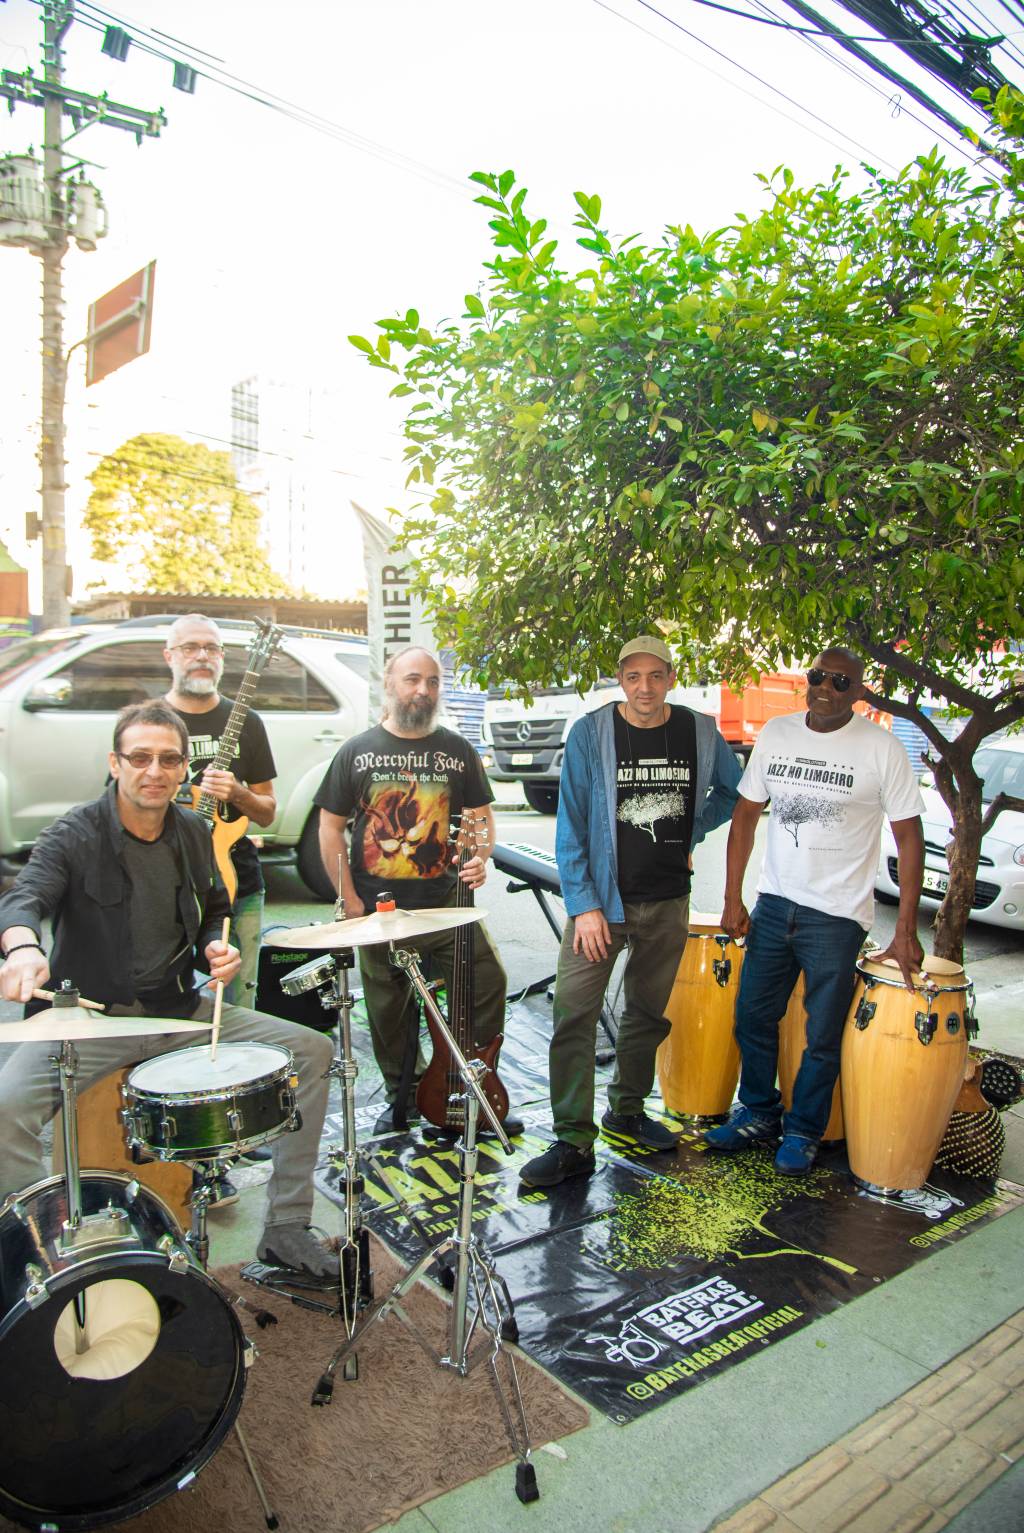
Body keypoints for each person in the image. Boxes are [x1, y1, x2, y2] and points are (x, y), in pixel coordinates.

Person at [0, 701, 336, 1281]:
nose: (154, 771)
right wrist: (24, 947)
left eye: (169, 759)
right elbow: (24, 897)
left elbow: (215, 909)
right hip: (90, 1018)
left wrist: (216, 947)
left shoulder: (192, 829)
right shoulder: (74, 833)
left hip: (177, 1011)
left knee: (314, 1051)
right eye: (140, 758)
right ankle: (35, 1244)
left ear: (185, 768)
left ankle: (284, 1228)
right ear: (116, 762)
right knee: (6, 1109)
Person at [520, 635, 743, 1187]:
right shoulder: (591, 733)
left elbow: (733, 794)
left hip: (668, 901)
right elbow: (570, 825)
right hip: (603, 904)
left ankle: (626, 1110)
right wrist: (585, 905)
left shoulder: (700, 731)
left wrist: (689, 826)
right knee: (573, 1014)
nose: (645, 688)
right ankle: (573, 1139)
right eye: (633, 677)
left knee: (647, 1015)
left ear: (671, 676)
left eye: (656, 675)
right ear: (621, 680)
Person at [704, 647, 925, 1175]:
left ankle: (803, 1130)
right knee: (753, 1016)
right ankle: (758, 1111)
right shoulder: (777, 734)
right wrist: (734, 897)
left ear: (859, 692)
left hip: (838, 915)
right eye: (818, 676)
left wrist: (908, 927)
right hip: (776, 903)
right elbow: (744, 817)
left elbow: (909, 835)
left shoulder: (882, 749)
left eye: (841, 682)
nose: (826, 687)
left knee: (822, 1034)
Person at [315, 646, 522, 1137]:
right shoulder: (357, 751)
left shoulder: (456, 749)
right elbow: (330, 827)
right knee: (390, 1013)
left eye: (432, 681)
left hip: (449, 909)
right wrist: (350, 900)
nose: (423, 690)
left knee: (488, 984)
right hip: (381, 911)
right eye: (412, 679)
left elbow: (481, 818)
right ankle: (403, 1099)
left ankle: (470, 1086)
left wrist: (480, 858)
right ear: (389, 683)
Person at [163, 613, 277, 1008]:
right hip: (166, 882)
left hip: (236, 881)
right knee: (164, 994)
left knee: (238, 995)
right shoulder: (151, 722)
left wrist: (238, 793)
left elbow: (266, 812)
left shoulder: (247, 720)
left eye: (211, 648)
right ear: (169, 656)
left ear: (223, 657)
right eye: (190, 647)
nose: (202, 656)